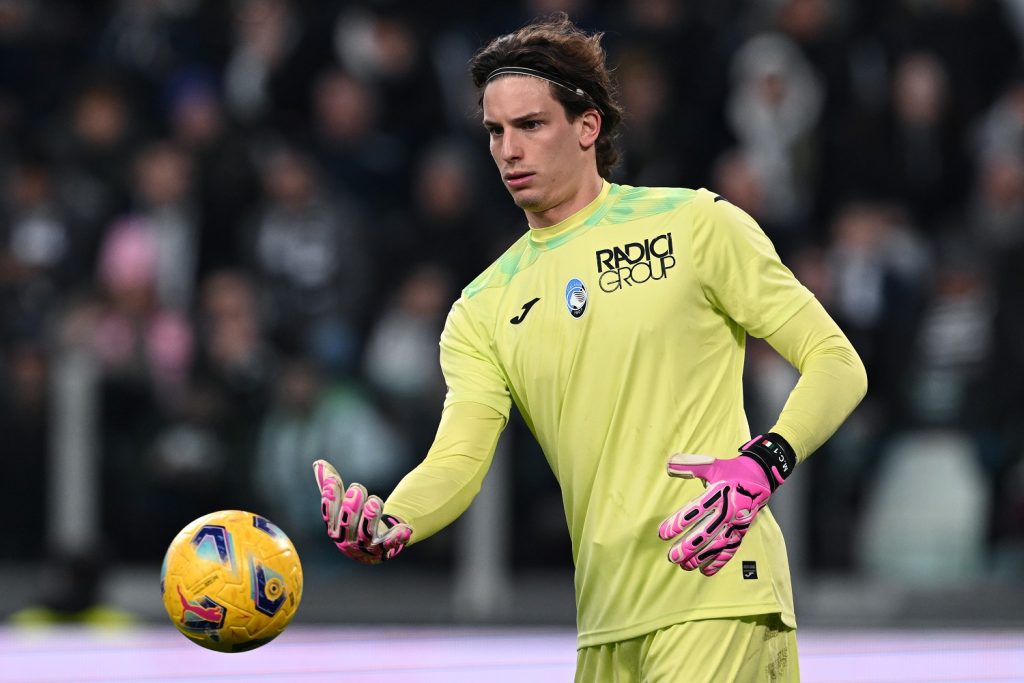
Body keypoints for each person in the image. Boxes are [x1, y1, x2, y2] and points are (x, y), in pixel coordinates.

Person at [313, 12, 866, 682]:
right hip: (606, 621)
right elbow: (458, 457)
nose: (509, 150)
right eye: (495, 131)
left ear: (587, 126)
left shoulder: (693, 224)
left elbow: (836, 362)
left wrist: (765, 461)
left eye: (530, 124)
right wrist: (393, 518)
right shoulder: (482, 308)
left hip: (718, 590)